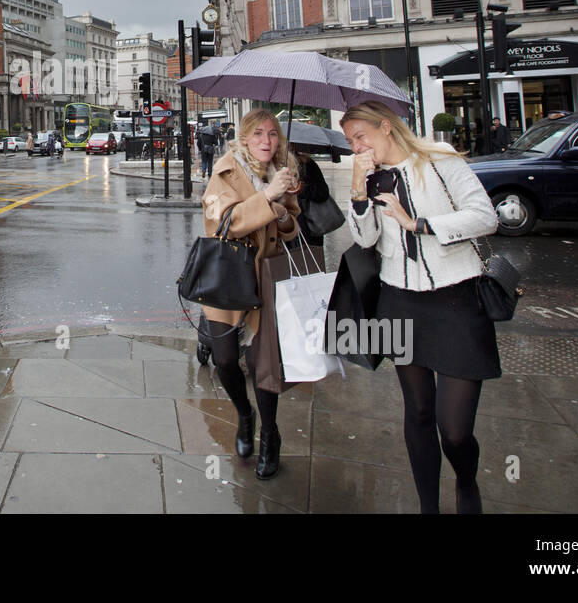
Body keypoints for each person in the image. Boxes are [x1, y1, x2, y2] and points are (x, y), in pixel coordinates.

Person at [340, 100, 500, 514]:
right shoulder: (373, 180)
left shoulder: (440, 161)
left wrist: (420, 225)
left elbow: (485, 216)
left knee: (455, 429)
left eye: (361, 136)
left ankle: (466, 483)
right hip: (399, 301)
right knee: (419, 409)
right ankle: (429, 505)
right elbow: (365, 240)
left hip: (455, 299)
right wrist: (359, 192)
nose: (357, 146)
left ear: (386, 128)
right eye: (350, 141)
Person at [199, 109, 302, 479]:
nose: (266, 141)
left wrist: (284, 213)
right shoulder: (224, 170)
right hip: (227, 272)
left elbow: (290, 228)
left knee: (264, 365)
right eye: (257, 134)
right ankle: (245, 415)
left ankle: (270, 435)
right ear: (243, 138)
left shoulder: (283, 172)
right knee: (225, 359)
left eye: (273, 134)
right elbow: (221, 222)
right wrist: (266, 199)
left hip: (266, 275)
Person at [291, 151, 331, 268]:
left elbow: (322, 192)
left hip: (308, 228)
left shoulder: (306, 164)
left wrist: (300, 188)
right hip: (283, 234)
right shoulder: (267, 166)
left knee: (311, 269)